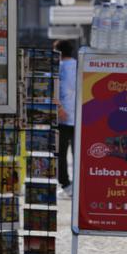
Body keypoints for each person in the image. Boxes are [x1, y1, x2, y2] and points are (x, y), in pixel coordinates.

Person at [53, 39, 76, 199]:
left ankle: (66, 185)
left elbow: (54, 91)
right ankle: (78, 185)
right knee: (78, 154)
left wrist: (59, 108)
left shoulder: (59, 68)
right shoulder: (80, 66)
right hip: (80, 118)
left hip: (63, 117)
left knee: (60, 154)